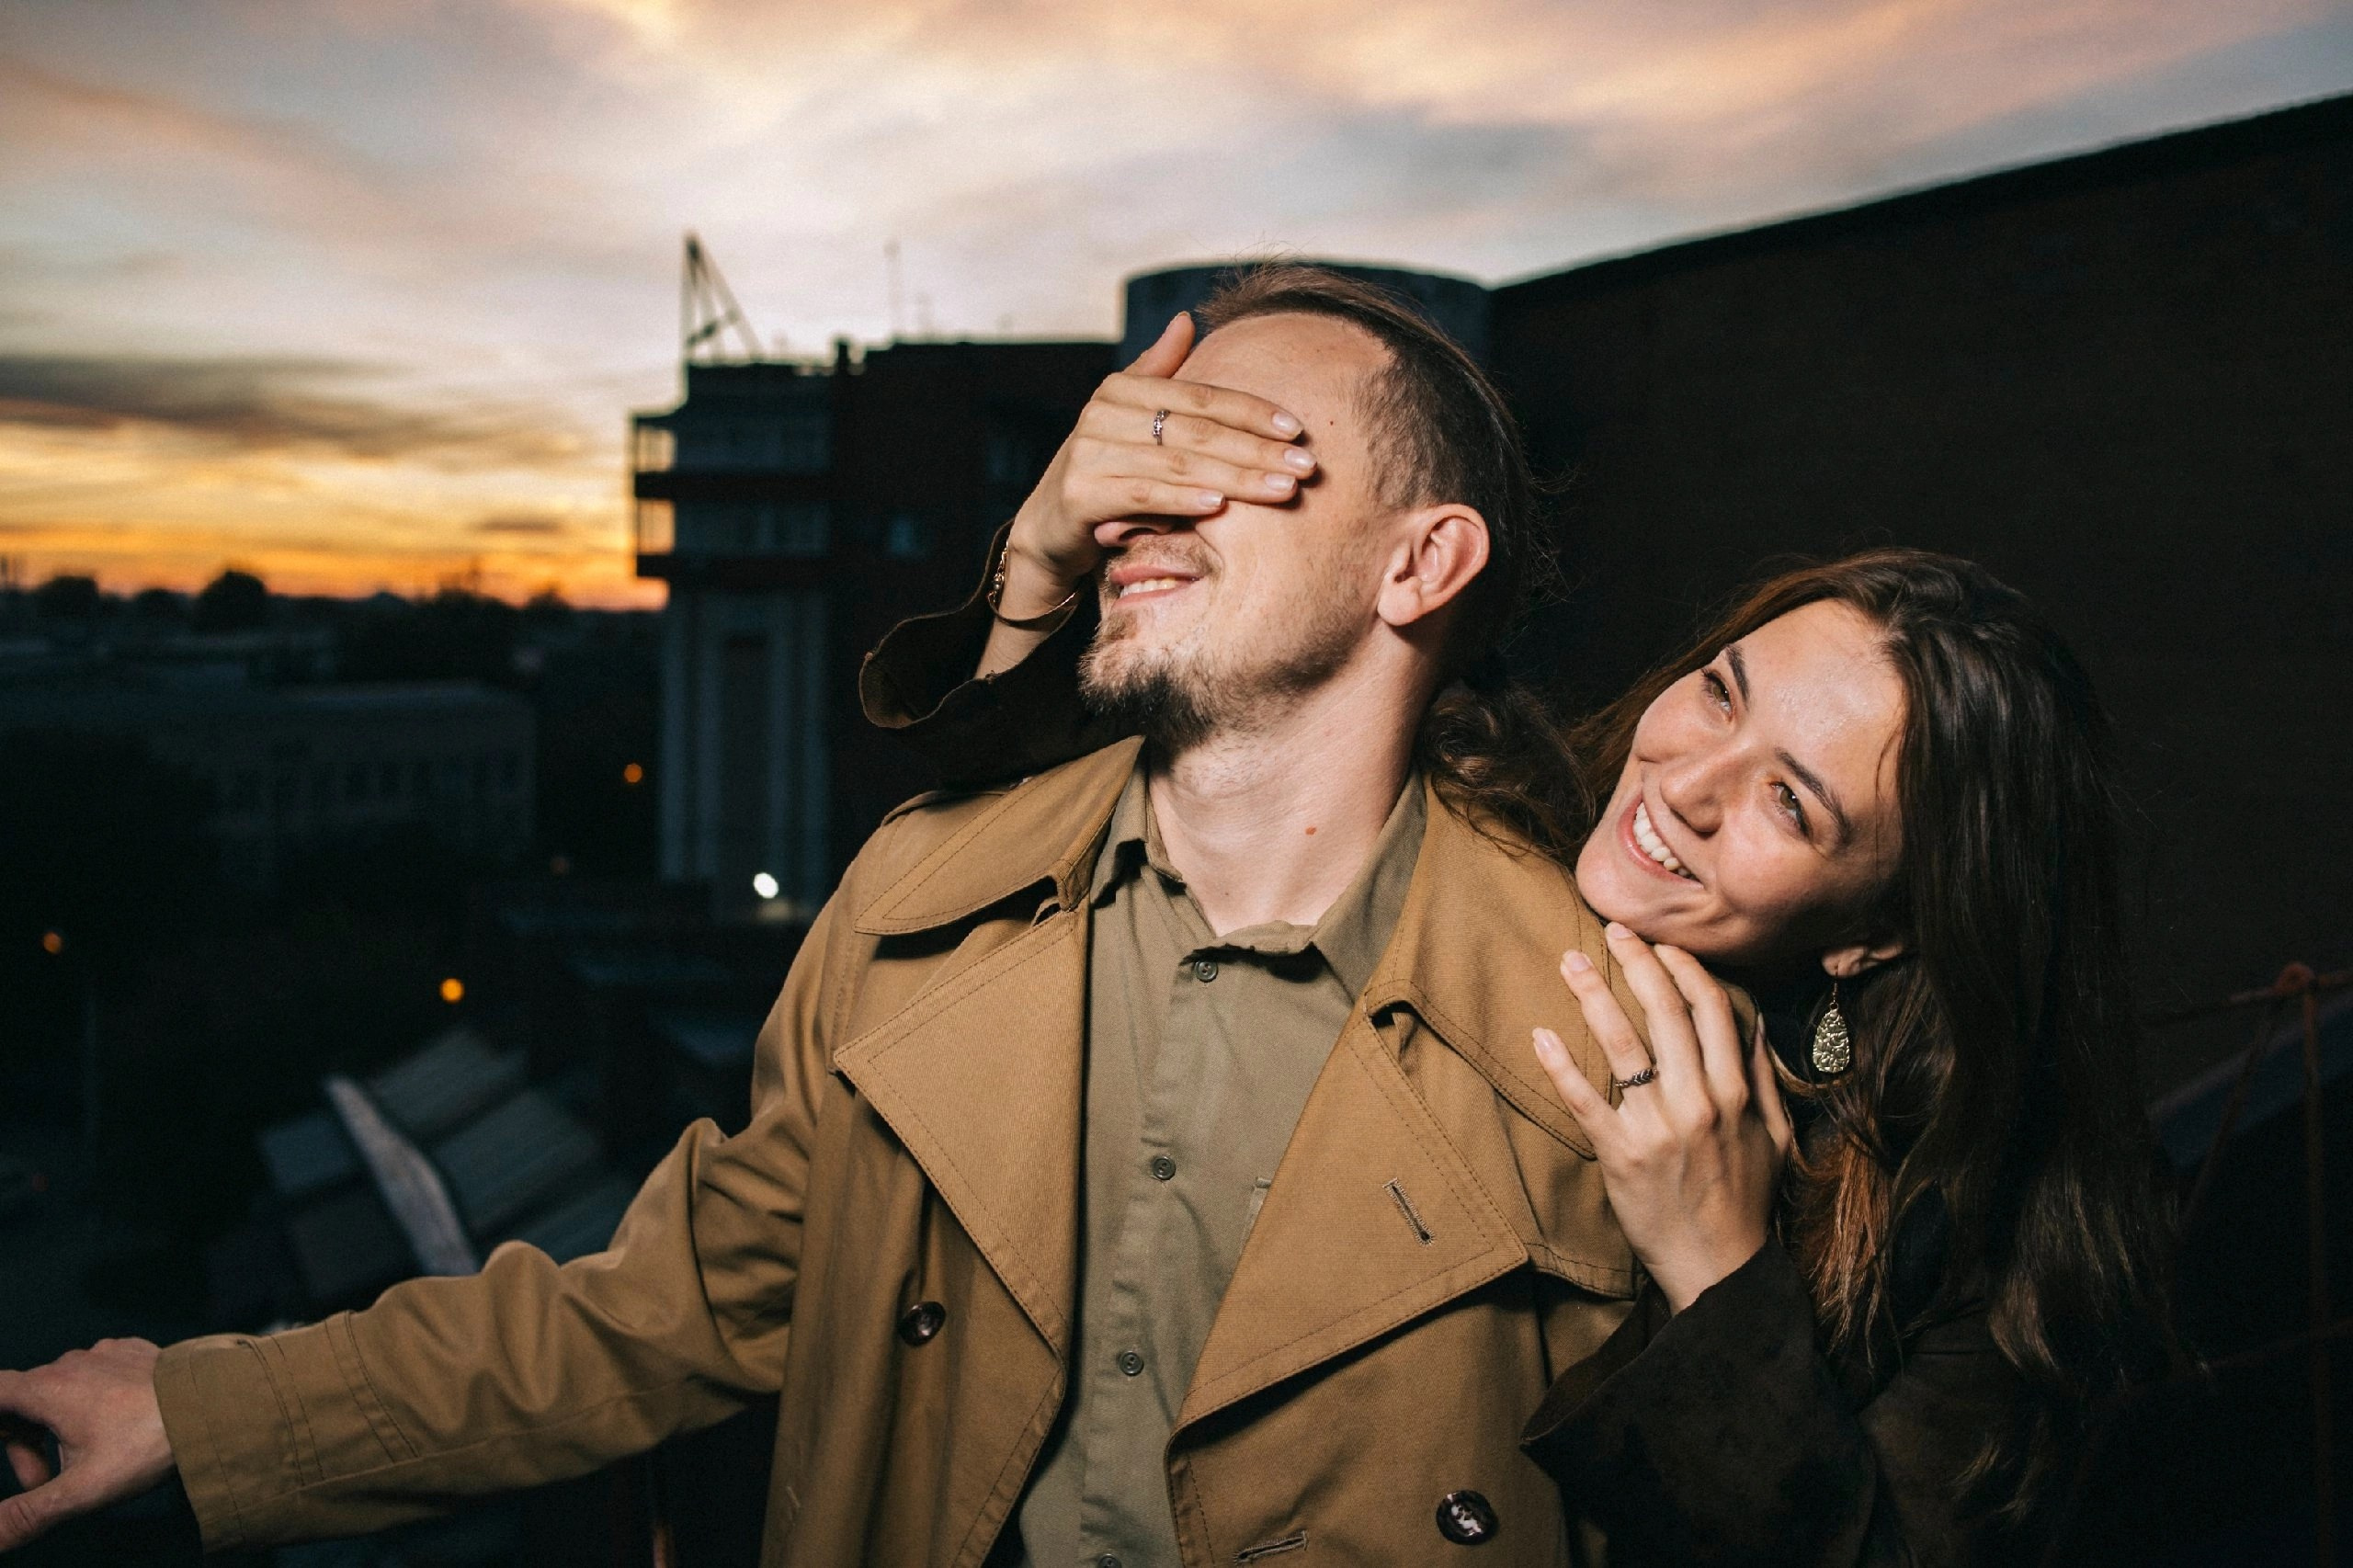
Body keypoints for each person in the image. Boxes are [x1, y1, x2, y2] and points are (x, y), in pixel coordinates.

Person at [0, 266, 1664, 1565]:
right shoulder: (916, 901)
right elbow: (663, 1311)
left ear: (1420, 563)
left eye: (1227, 450)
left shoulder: (1618, 1042)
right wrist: (205, 1413)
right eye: (1131, 449)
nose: (1129, 503)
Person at [864, 284, 2175, 1563]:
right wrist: (1039, 557)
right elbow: (1090, 774)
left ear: (1874, 937)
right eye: (1719, 693)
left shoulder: (1962, 1222)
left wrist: (1720, 1278)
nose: (1687, 783)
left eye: (1791, 799)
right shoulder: (1496, 801)